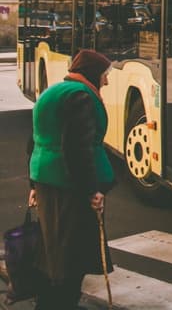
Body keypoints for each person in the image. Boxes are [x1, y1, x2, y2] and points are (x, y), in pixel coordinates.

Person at [27, 49, 115, 310]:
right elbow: (77, 149)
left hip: (47, 182)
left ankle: (48, 302)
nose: (106, 80)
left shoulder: (53, 92)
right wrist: (91, 191)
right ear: (92, 73)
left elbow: (35, 140)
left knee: (51, 251)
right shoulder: (81, 97)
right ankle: (62, 303)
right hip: (70, 188)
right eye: (104, 75)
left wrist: (33, 185)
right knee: (72, 253)